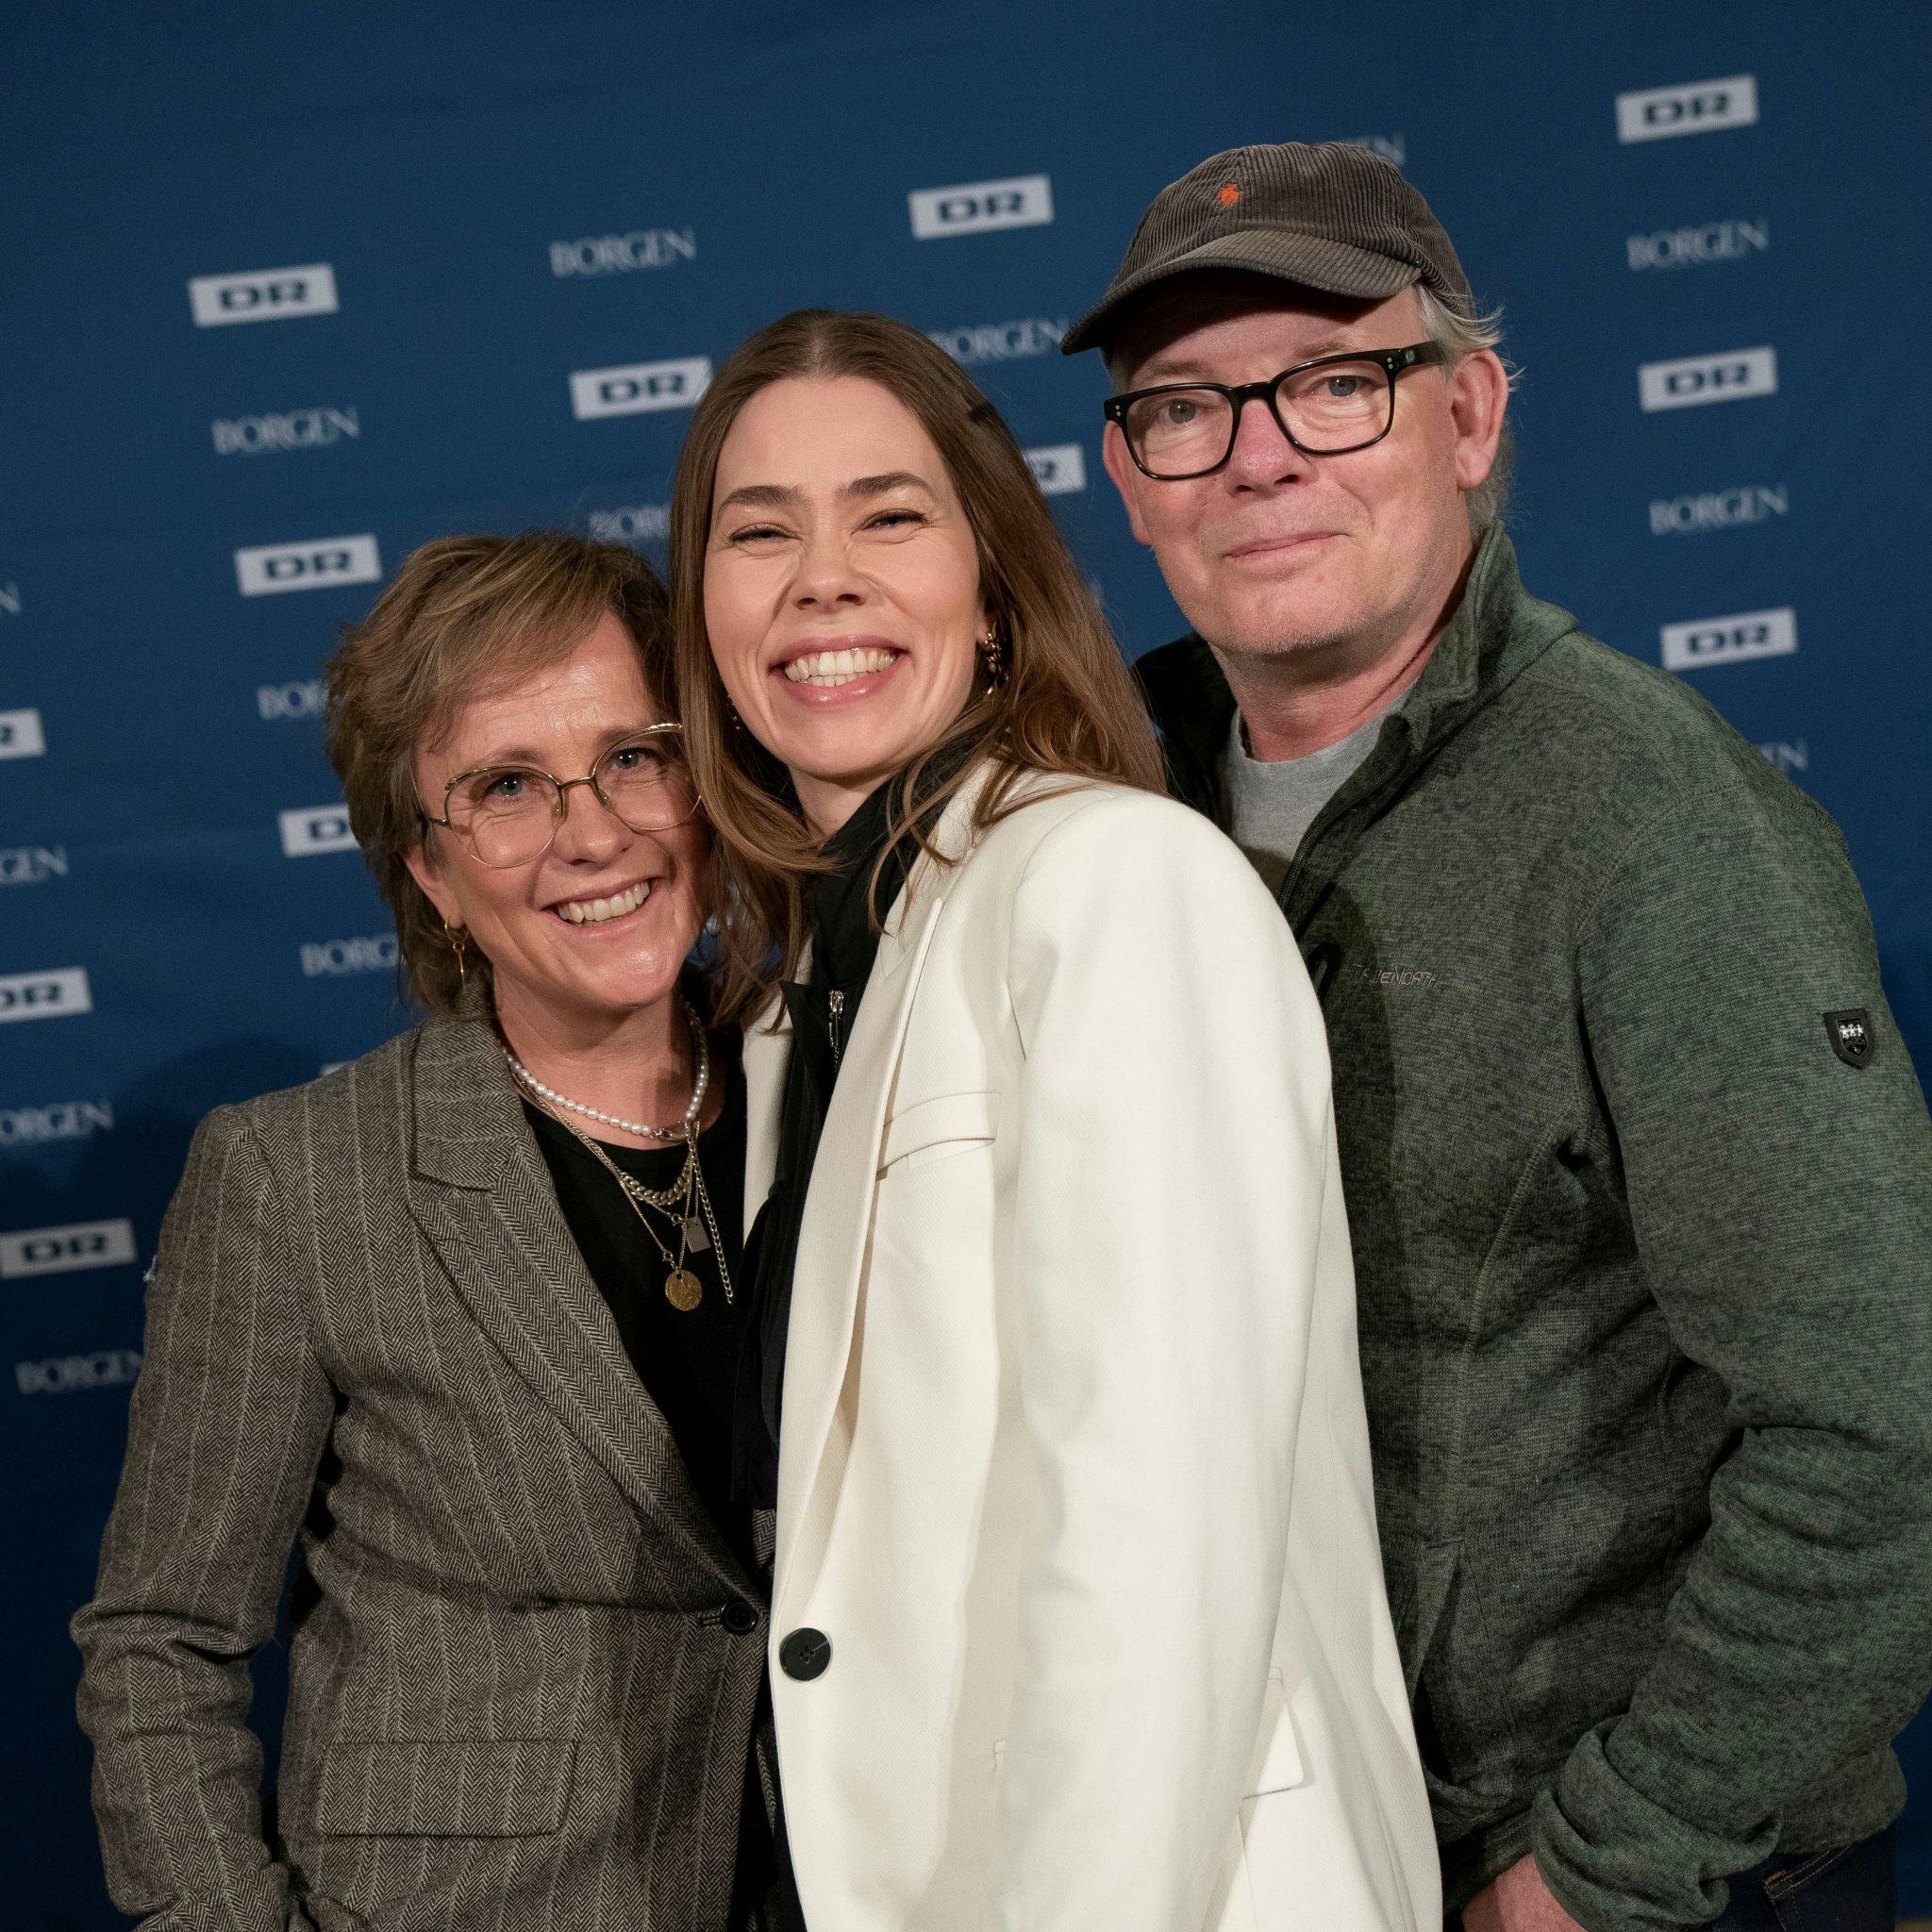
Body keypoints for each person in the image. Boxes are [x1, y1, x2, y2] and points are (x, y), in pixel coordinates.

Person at [1065, 141, 1932, 1932]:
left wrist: (1603, 1867)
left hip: (1615, 1885)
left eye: (1332, 383)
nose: (1258, 457)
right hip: (1282, 1856)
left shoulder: (1652, 825)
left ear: (1466, 413)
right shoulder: (1090, 814)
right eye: (1185, 412)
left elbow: (1880, 1421)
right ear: (1126, 482)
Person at [665, 307, 1441, 1932]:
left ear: (997, 587)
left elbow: (1155, 1534)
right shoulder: (791, 993)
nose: (823, 579)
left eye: (889, 515)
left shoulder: (1111, 885)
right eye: (760, 534)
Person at [73, 534, 780, 1931]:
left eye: (636, 755)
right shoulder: (297, 1178)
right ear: (431, 875)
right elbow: (161, 1647)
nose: (595, 832)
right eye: (506, 786)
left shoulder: (845, 1095)